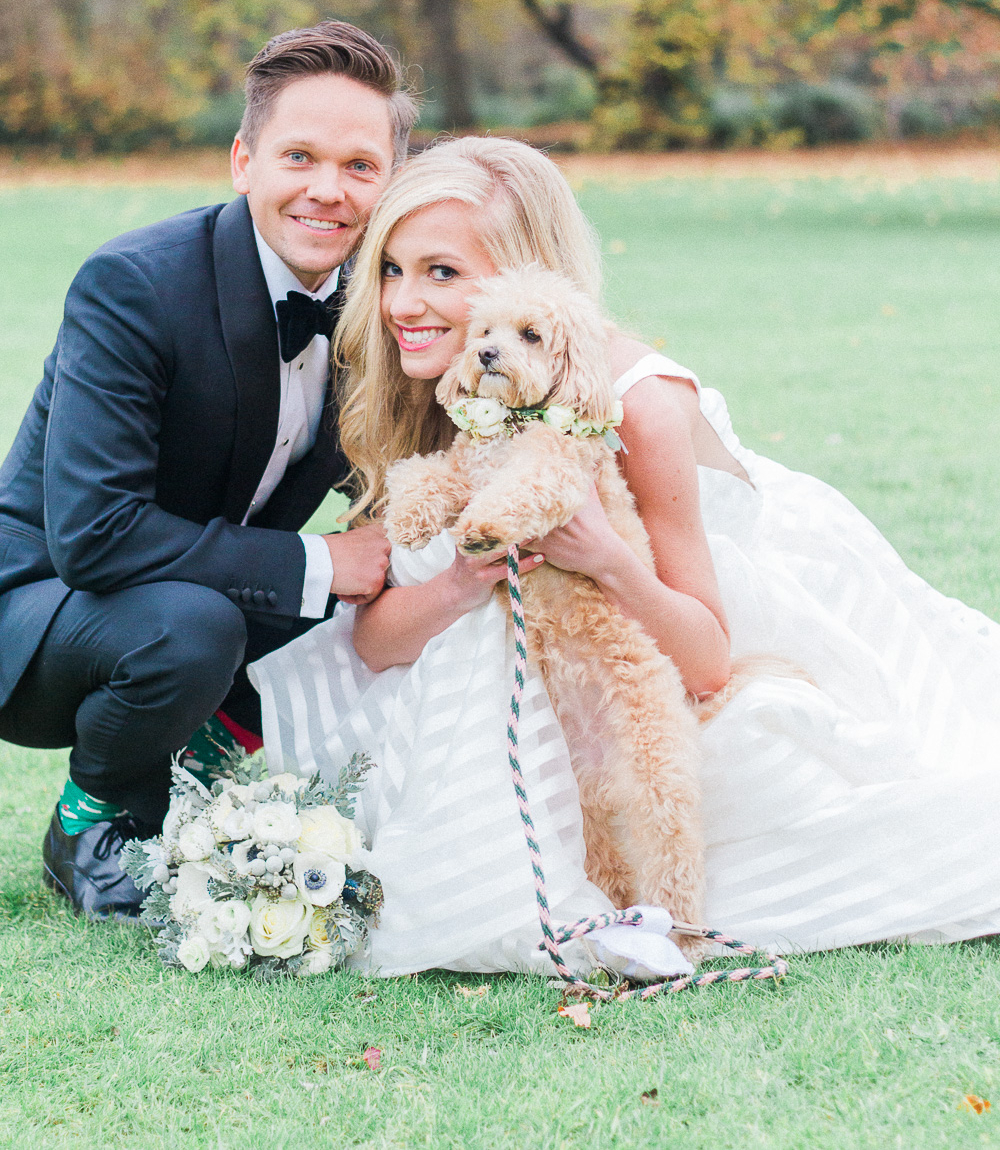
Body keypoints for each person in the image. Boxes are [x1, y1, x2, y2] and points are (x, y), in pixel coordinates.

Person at [251, 136, 1000, 977]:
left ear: (531, 283)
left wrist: (606, 557)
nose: (405, 303)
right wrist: (464, 581)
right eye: (391, 269)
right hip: (544, 653)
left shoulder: (631, 408)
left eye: (444, 273)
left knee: (754, 815)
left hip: (703, 628)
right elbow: (376, 641)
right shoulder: (449, 390)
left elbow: (709, 657)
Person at [0, 20, 414, 920]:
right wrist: (318, 566)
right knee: (200, 622)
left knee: (393, 591)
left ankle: (188, 796)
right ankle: (88, 822)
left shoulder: (377, 306)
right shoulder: (134, 285)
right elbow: (94, 536)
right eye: (299, 156)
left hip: (189, 599)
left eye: (359, 167)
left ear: (388, 182)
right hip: (36, 611)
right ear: (243, 162)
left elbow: (400, 477)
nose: (327, 191)